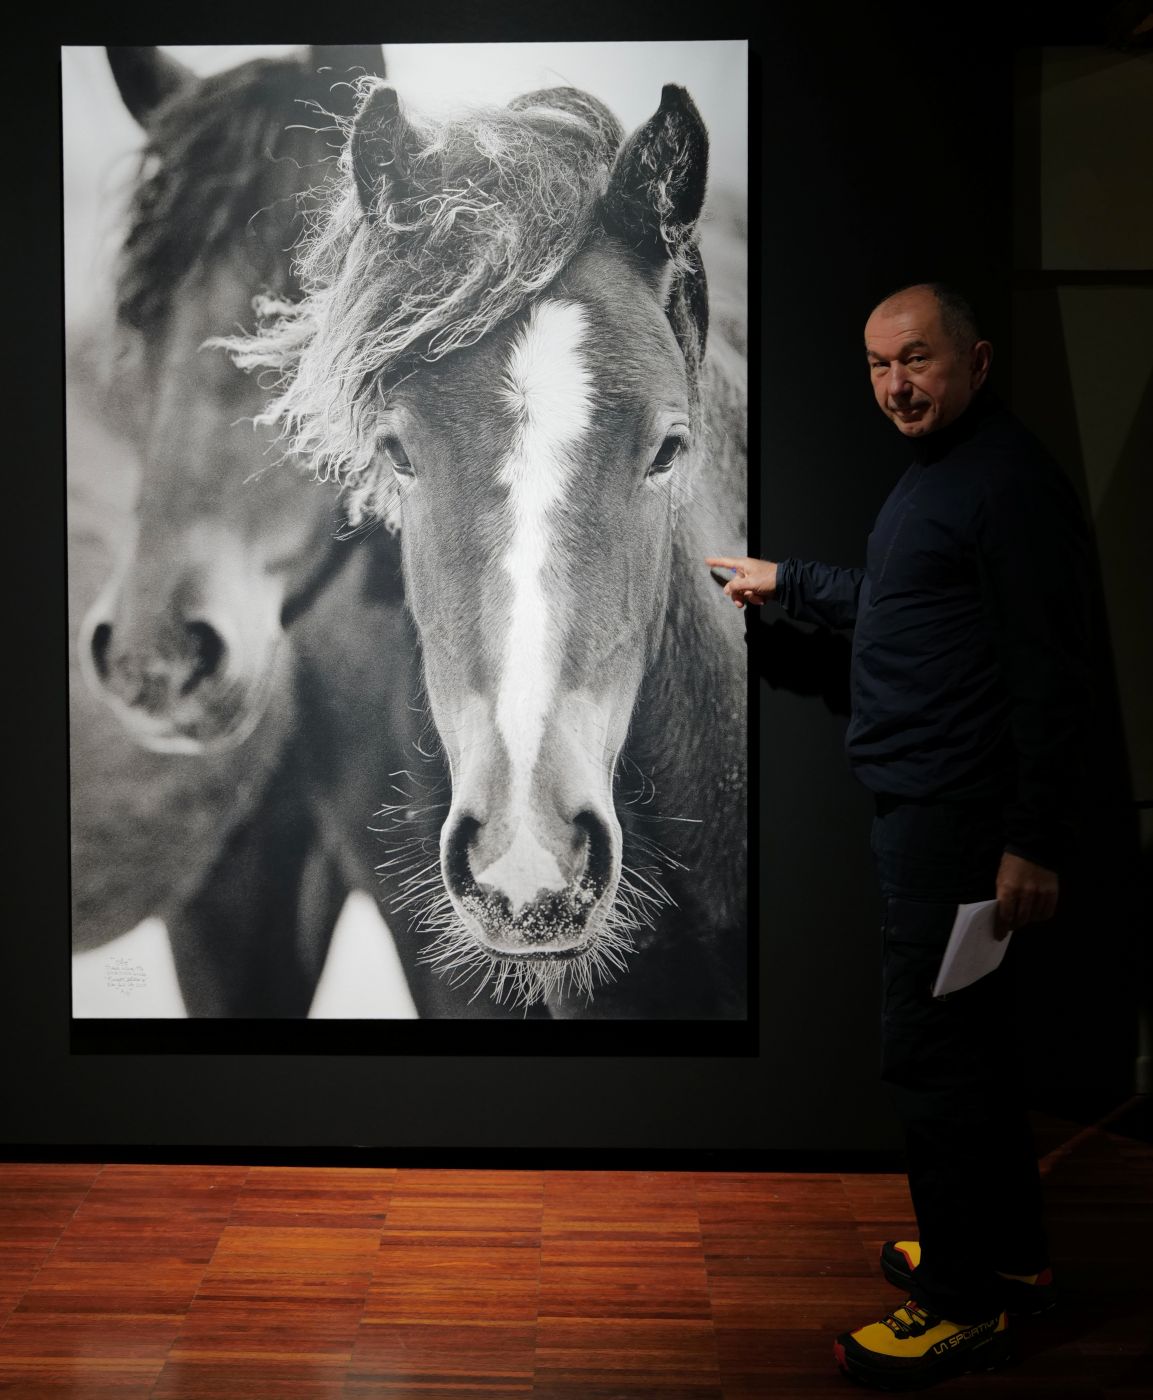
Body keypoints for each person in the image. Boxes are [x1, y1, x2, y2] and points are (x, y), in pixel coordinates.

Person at [708, 282, 1090, 1391]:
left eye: (915, 360)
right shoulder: (950, 476)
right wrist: (793, 583)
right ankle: (1007, 1259)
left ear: (974, 358)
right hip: (930, 811)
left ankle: (961, 1302)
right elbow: (903, 599)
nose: (896, 386)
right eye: (878, 367)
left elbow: (1052, 678)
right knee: (974, 1049)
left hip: (957, 821)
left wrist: (1032, 840)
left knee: (930, 1057)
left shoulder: (1010, 486)